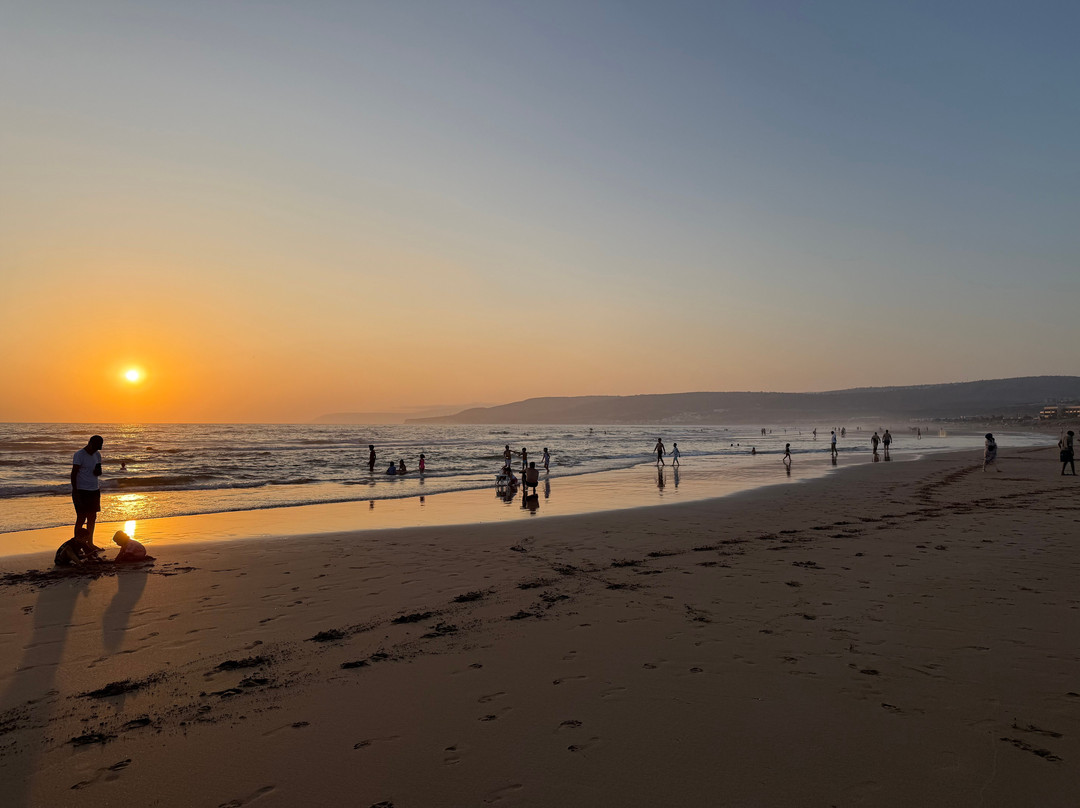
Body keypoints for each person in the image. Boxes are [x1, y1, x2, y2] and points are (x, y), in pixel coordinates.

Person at [71, 435, 105, 545]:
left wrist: (98, 470)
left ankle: (89, 543)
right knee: (81, 517)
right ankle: (77, 544)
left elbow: (98, 472)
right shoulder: (79, 455)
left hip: (94, 489)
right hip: (81, 490)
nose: (98, 449)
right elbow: (74, 473)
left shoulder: (97, 455)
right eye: (97, 446)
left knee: (92, 518)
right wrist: (75, 491)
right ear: (90, 443)